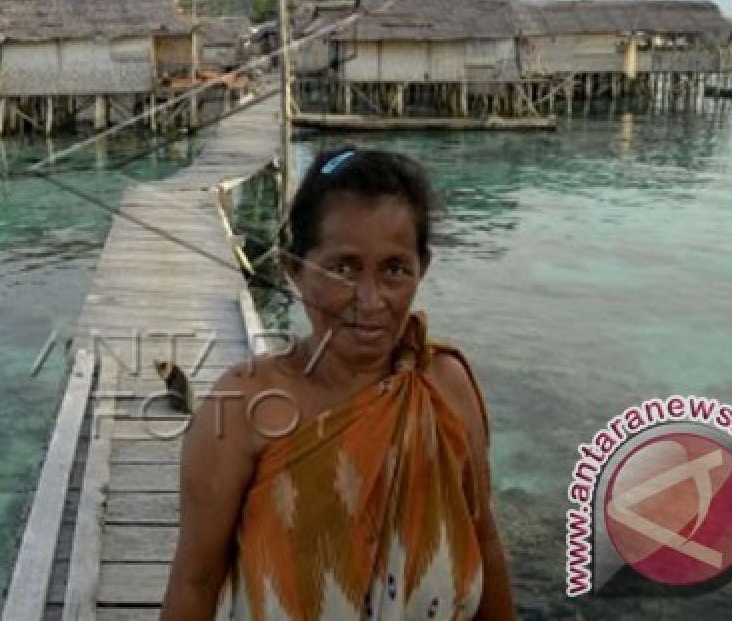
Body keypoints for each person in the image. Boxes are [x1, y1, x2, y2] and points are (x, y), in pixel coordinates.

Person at [161, 147, 516, 620]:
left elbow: (483, 541)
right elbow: (195, 582)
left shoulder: (446, 385)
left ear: (421, 269)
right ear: (295, 270)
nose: (369, 302)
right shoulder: (243, 408)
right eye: (343, 269)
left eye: (394, 270)